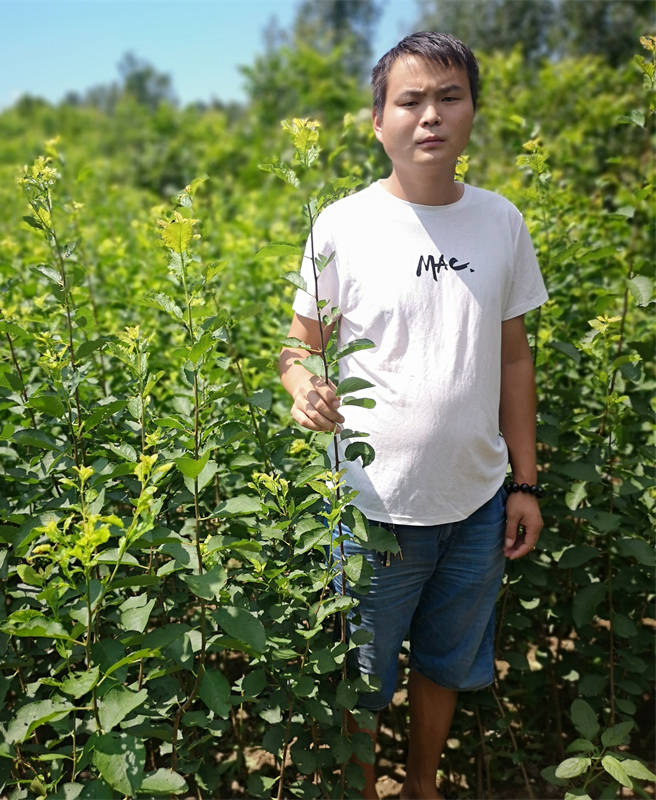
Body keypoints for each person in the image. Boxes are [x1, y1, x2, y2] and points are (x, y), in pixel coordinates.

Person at [278, 32, 548, 800]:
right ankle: (365, 789)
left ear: (472, 114)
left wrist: (525, 483)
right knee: (364, 678)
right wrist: (303, 387)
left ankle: (423, 785)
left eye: (449, 97)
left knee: (446, 662)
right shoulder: (342, 226)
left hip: (476, 502)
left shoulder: (501, 222)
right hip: (371, 507)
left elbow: (515, 359)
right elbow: (298, 350)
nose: (431, 115)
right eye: (410, 100)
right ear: (379, 122)